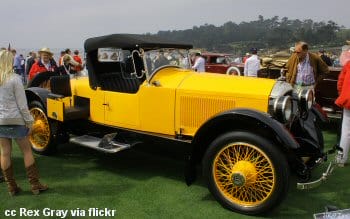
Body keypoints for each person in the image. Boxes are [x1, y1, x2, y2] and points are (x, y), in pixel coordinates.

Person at [0, 50, 48, 196]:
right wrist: (30, 121)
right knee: (27, 151)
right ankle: (35, 185)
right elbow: (22, 105)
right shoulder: (15, 79)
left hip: (1, 121)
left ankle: (12, 187)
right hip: (16, 120)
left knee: (5, 153)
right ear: (11, 61)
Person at [335, 46, 350, 167]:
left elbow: (340, 83)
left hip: (348, 101)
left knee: (346, 132)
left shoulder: (348, 65)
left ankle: (341, 159)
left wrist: (343, 95)